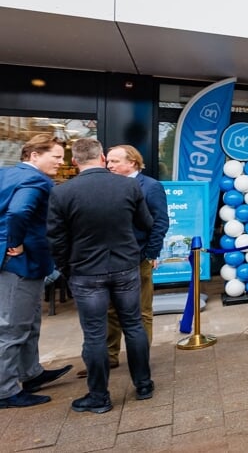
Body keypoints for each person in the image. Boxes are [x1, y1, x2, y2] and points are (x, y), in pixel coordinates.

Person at [47, 138, 154, 414]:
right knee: (134, 325)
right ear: (103, 159)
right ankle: (143, 385)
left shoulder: (62, 193)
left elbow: (56, 239)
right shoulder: (128, 186)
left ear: (75, 162)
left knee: (94, 334)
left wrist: (67, 269)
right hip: (125, 267)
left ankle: (99, 396)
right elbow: (146, 223)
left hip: (85, 271)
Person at [0, 135, 73, 409]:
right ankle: (6, 391)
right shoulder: (36, 180)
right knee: (12, 328)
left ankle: (31, 373)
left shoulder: (6, 174)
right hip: (20, 264)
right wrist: (14, 243)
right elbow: (18, 212)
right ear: (33, 155)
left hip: (20, 264)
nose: (60, 162)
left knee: (28, 322)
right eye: (55, 156)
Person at [101, 145, 169, 379]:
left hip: (138, 257)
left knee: (141, 311)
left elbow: (160, 222)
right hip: (109, 259)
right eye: (108, 161)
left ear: (132, 162)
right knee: (110, 309)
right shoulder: (107, 185)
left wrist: (151, 253)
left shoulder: (150, 187)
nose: (110, 166)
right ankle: (109, 356)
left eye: (115, 161)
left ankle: (140, 358)